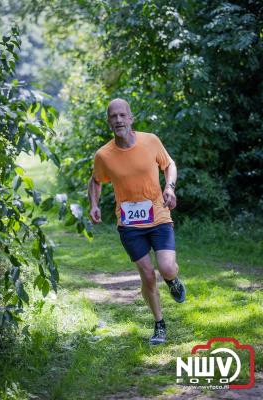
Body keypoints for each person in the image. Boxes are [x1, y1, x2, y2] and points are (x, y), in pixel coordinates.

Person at [88, 98, 186, 345]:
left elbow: (169, 164)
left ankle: (173, 280)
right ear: (109, 121)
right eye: (113, 116)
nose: (118, 120)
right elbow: (96, 180)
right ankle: (159, 324)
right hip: (129, 225)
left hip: (159, 216)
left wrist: (170, 187)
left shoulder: (150, 141)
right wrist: (94, 205)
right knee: (148, 275)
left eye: (123, 115)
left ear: (130, 118)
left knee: (166, 268)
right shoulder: (104, 155)